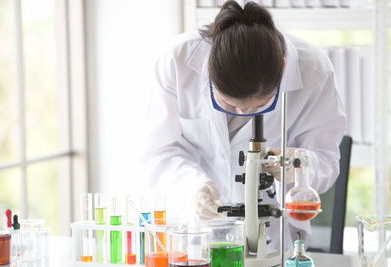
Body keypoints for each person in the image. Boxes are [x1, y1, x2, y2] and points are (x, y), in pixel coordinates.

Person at [143, 0, 346, 250]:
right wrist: (193, 187)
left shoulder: (314, 70)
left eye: (255, 107)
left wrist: (300, 166)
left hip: (274, 239)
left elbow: (326, 160)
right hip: (195, 234)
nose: (242, 113)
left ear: (283, 67)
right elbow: (158, 151)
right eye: (230, 105)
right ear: (209, 70)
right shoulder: (178, 60)